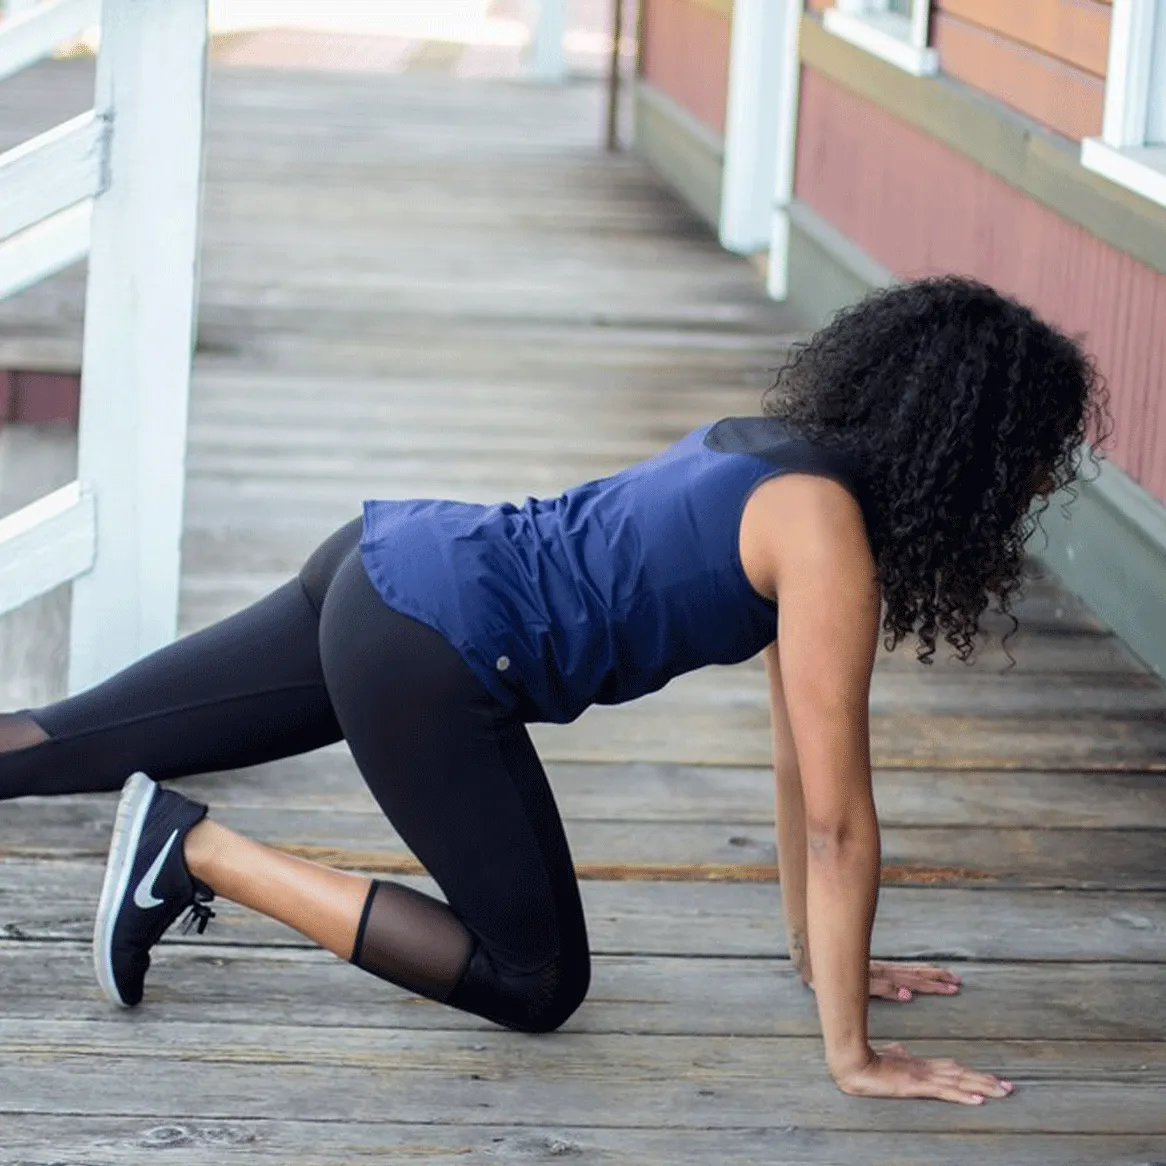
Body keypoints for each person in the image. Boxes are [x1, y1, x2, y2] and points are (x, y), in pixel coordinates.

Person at [0, 277, 1107, 1105]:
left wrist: (825, 961)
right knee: (533, 981)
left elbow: (794, 765)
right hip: (429, 650)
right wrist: (852, 1053)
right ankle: (196, 853)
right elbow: (833, 818)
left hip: (384, 561)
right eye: (1034, 465)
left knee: (73, 734)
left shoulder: (773, 457)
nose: (1036, 488)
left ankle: (173, 841)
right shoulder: (827, 539)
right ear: (972, 455)